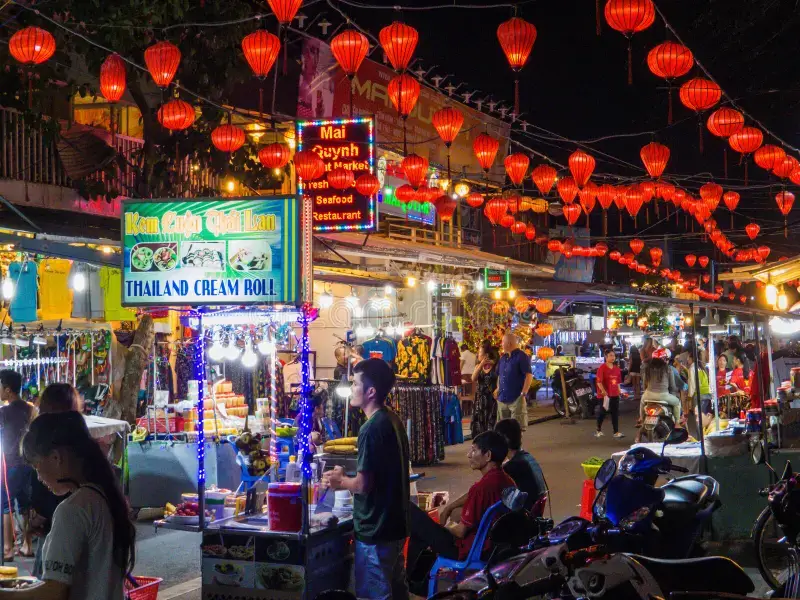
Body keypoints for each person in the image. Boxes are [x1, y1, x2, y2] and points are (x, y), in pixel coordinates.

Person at [16, 410, 135, 600]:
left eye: (37, 466)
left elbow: (53, 593)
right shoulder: (102, 495)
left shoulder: (73, 509)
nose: (39, 477)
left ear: (56, 458)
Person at [323, 358, 409, 600]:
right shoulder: (392, 419)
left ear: (371, 391)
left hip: (376, 528)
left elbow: (363, 484)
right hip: (394, 523)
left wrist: (340, 480)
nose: (350, 388)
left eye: (355, 383)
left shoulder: (370, 429)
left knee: (375, 595)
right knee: (396, 590)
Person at [408, 431, 515, 577]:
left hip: (468, 549)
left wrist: (446, 526)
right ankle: (415, 579)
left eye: (474, 450)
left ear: (488, 456)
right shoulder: (507, 480)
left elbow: (460, 531)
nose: (469, 455)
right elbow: (472, 495)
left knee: (411, 514)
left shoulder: (482, 488)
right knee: (419, 534)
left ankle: (410, 580)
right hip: (491, 546)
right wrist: (450, 508)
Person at [30, 383, 81, 579]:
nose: (40, 476)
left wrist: (41, 514)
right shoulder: (79, 439)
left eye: (38, 467)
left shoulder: (52, 441)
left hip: (57, 527)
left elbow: (52, 589)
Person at [0, 369, 34, 561]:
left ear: (8, 389)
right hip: (27, 463)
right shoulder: (29, 409)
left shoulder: (3, 412)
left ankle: (7, 549)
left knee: (6, 506)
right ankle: (27, 545)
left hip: (10, 463)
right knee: (25, 505)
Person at [494, 419, 547, 513]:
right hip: (533, 515)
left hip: (522, 518)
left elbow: (487, 491)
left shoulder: (512, 467)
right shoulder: (527, 457)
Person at [495, 333, 533, 432]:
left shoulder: (522, 356)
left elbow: (529, 375)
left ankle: (515, 447)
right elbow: (500, 375)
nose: (501, 344)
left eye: (503, 342)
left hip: (516, 398)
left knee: (516, 429)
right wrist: (498, 389)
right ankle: (505, 447)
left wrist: (523, 393)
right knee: (502, 428)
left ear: (509, 343)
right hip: (502, 398)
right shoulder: (503, 358)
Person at [639, 348, 681, 426]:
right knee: (677, 403)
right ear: (663, 359)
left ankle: (641, 419)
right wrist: (674, 394)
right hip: (663, 395)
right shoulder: (668, 368)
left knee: (642, 402)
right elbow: (672, 386)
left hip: (648, 395)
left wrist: (647, 391)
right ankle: (677, 423)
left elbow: (644, 384)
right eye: (667, 359)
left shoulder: (647, 368)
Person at [470, 341, 498, 438]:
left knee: (491, 422)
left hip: (492, 399)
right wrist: (481, 364)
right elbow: (473, 378)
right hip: (480, 399)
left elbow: (499, 380)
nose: (478, 354)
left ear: (486, 354)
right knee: (480, 423)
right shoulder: (478, 366)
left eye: (480, 352)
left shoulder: (495, 366)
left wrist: (498, 389)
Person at [595, 349, 624, 438]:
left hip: (614, 394)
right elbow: (599, 382)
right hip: (604, 395)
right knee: (603, 412)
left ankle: (616, 432)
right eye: (611, 355)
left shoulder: (617, 369)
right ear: (606, 357)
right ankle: (598, 429)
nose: (613, 357)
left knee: (615, 413)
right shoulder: (602, 368)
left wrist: (620, 391)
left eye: (614, 356)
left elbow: (618, 382)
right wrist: (604, 392)